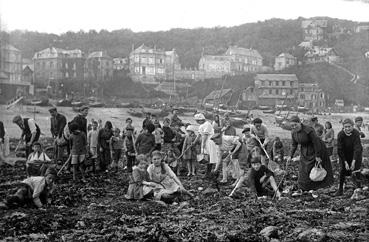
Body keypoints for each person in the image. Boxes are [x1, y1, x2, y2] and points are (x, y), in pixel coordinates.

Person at [288, 116, 334, 196]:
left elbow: (316, 142)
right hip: (305, 151)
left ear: (300, 122)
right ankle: (303, 188)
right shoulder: (293, 132)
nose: (294, 127)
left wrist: (318, 156)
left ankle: (316, 188)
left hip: (316, 149)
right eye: (292, 126)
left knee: (314, 169)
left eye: (296, 125)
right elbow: (294, 145)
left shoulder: (308, 130)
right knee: (303, 169)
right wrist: (290, 156)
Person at [335, 118, 363, 196]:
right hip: (344, 154)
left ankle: (358, 189)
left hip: (356, 154)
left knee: (356, 170)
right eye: (345, 127)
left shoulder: (356, 133)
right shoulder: (340, 134)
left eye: (349, 126)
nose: (347, 128)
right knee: (342, 170)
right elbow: (340, 149)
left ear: (352, 126)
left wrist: (354, 161)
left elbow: (357, 148)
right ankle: (340, 189)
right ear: (343, 127)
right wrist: (345, 162)